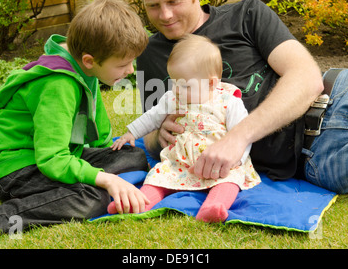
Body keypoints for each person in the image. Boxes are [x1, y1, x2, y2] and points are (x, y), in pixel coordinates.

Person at [135, 0, 348, 201]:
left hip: (345, 91)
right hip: (320, 154)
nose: (165, 15)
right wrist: (158, 137)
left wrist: (237, 138)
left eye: (174, 1)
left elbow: (306, 77)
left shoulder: (246, 14)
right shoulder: (148, 55)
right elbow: (151, 132)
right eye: (153, 6)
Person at [0, 0, 150, 248]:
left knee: (134, 156)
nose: (130, 70)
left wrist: (109, 154)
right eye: (123, 64)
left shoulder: (87, 67)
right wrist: (106, 178)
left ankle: (87, 184)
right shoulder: (57, 85)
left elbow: (97, 129)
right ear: (89, 60)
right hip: (17, 170)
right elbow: (51, 158)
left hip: (58, 155)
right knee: (94, 197)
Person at [109, 34, 261, 222]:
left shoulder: (228, 102)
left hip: (219, 164)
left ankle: (214, 207)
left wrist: (237, 159)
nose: (177, 89)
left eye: (185, 85)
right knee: (158, 177)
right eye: (174, 82)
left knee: (229, 181)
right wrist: (131, 133)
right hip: (180, 162)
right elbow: (152, 117)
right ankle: (137, 203)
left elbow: (243, 134)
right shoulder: (173, 98)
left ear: (211, 83)